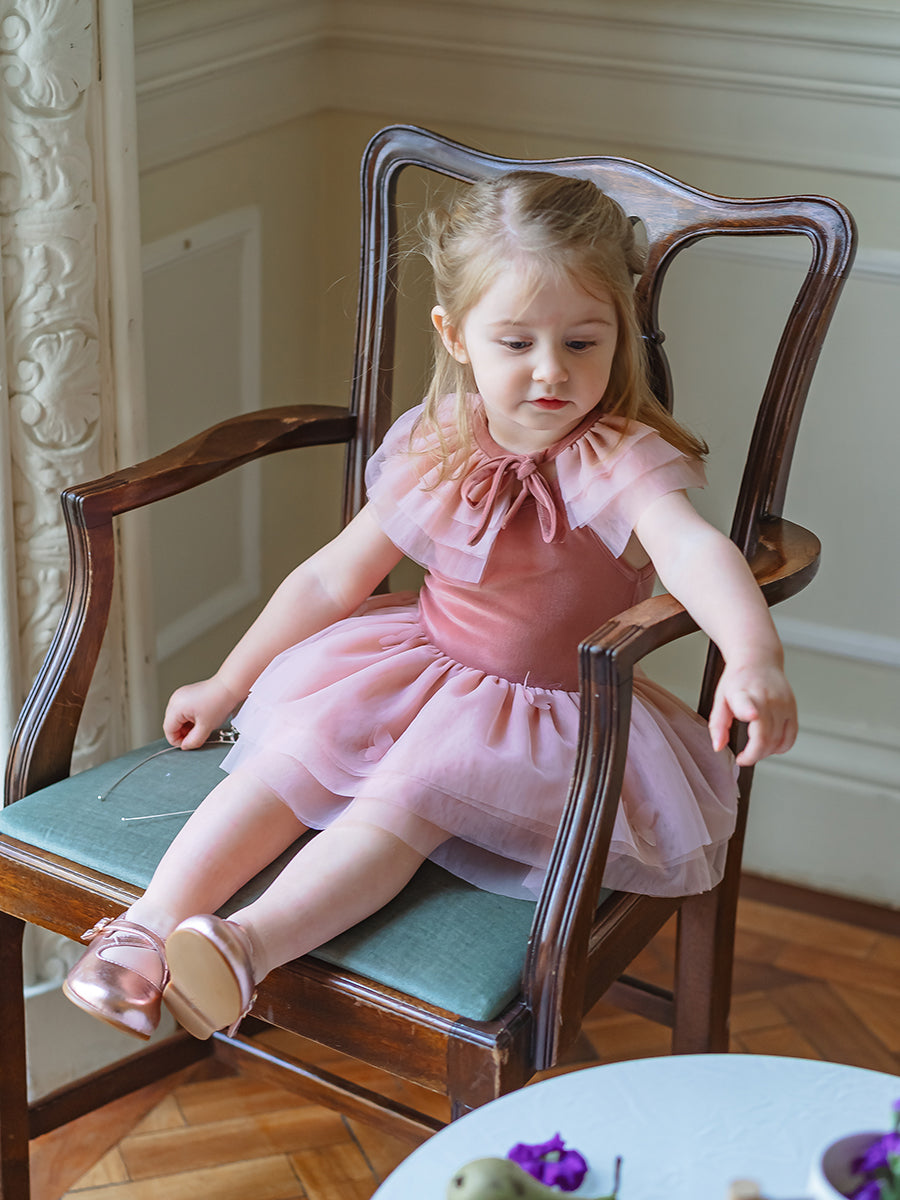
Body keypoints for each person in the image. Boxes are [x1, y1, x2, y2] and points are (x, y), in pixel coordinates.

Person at [63, 171, 797, 1043]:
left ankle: (243, 948)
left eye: (582, 341)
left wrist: (753, 654)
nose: (551, 370)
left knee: (400, 808)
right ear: (456, 335)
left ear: (619, 335)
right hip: (410, 668)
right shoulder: (441, 439)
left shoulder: (620, 458)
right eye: (516, 341)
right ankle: (147, 927)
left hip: (541, 716)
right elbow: (332, 580)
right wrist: (228, 683)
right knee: (286, 760)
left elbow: (693, 551)